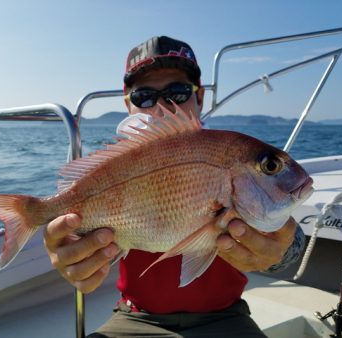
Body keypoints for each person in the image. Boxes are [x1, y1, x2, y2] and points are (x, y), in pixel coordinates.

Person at [44, 36, 305, 337]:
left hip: (225, 318)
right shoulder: (110, 170)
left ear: (200, 96)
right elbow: (73, 234)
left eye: (178, 92)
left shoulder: (233, 155)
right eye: (144, 96)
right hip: (135, 317)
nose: (162, 105)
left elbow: (286, 238)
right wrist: (69, 253)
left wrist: (281, 250)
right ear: (128, 104)